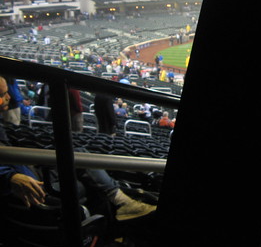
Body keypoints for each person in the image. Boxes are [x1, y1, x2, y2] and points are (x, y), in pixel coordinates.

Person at [0, 76, 155, 220]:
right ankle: (119, 205)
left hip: (32, 173)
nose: (10, 97)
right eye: (3, 94)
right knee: (88, 185)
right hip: (33, 186)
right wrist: (10, 177)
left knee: (79, 154)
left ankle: (120, 199)